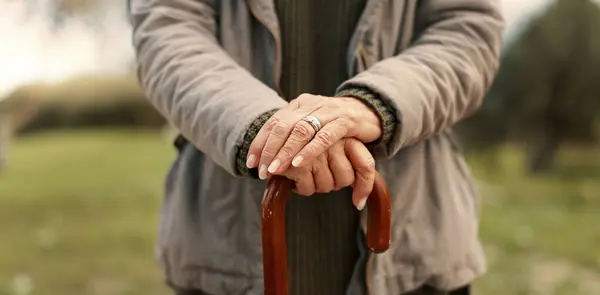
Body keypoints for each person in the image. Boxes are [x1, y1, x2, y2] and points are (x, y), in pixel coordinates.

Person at [129, 0, 504, 294]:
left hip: (414, 243)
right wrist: (266, 128)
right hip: (228, 249)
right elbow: (168, 31)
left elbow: (466, 30)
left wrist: (371, 106)